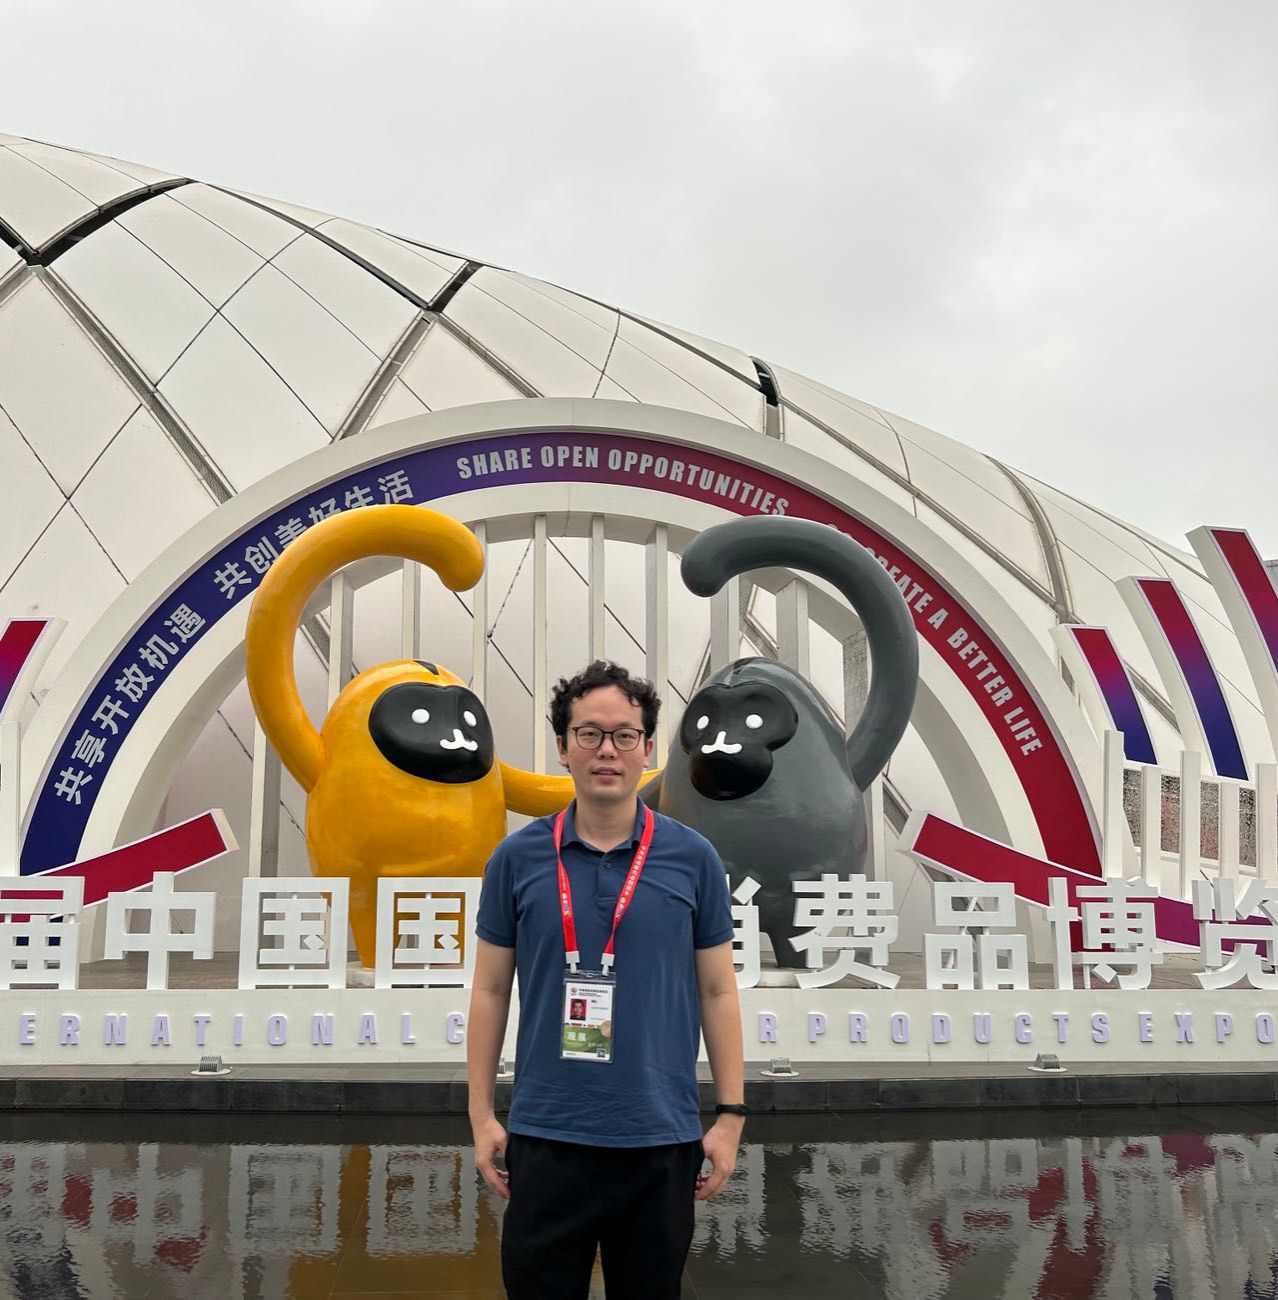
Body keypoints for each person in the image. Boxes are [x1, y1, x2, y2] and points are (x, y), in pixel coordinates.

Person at [467, 659, 746, 1300]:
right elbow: (489, 990)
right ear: (563, 747)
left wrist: (730, 1116)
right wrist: (481, 1114)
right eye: (589, 733)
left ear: (647, 749)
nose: (607, 750)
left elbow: (718, 990)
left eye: (625, 734)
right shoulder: (516, 859)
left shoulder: (693, 858)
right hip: (546, 1134)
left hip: (659, 1138)